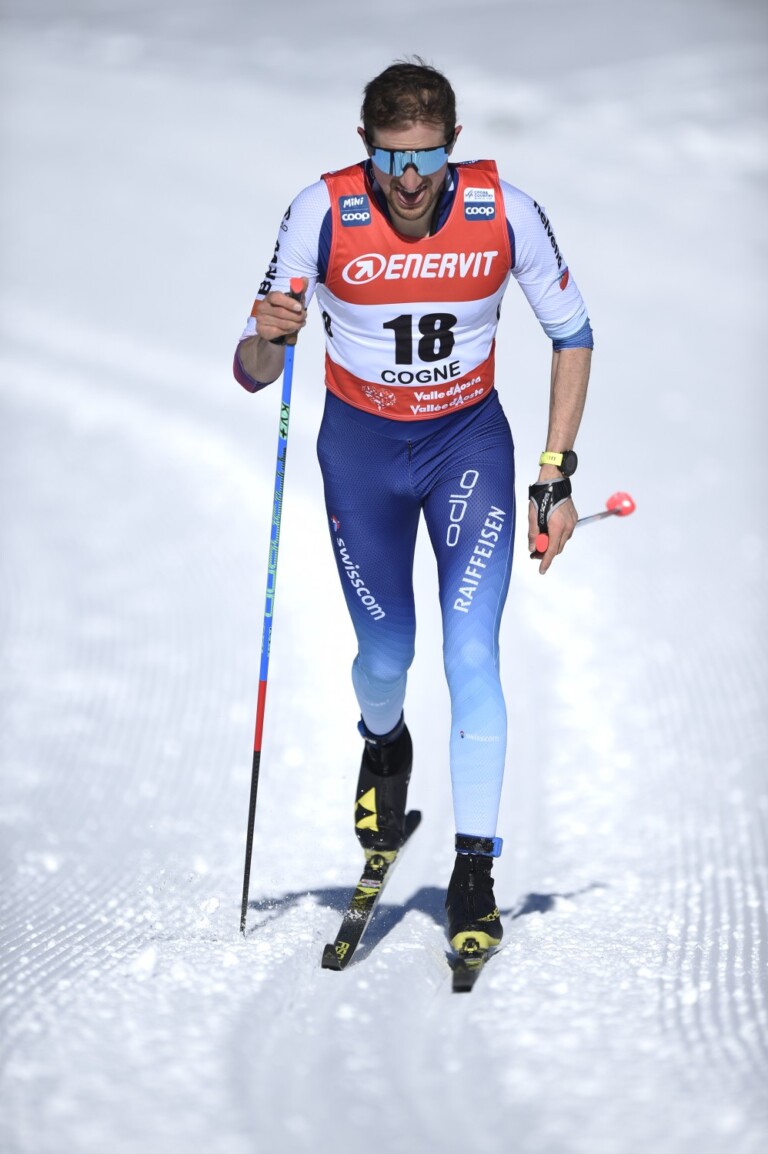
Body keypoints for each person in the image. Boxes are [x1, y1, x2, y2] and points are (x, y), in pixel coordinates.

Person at [233, 59, 592, 955]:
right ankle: (384, 743)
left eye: (426, 159)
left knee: (472, 653)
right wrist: (269, 338)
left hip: (467, 448)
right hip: (363, 457)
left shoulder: (505, 210)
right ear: (365, 146)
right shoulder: (320, 211)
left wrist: (554, 472)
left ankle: (474, 875)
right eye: (391, 160)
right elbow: (251, 371)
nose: (408, 181)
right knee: (387, 653)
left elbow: (572, 332)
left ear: (453, 146)